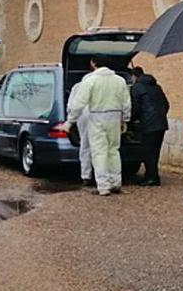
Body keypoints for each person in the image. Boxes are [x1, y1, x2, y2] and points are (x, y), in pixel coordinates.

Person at [65, 56, 131, 196]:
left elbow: (78, 104)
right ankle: (116, 181)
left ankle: (103, 185)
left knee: (99, 151)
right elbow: (126, 103)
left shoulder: (90, 81)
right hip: (115, 117)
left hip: (97, 116)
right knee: (113, 150)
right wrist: (125, 120)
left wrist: (70, 121)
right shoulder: (120, 81)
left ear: (94, 64)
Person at [129, 66, 169, 186]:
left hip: (147, 124)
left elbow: (136, 107)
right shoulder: (156, 87)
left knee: (147, 152)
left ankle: (152, 178)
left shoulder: (136, 87)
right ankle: (151, 175)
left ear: (134, 76)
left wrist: (131, 120)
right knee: (155, 151)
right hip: (161, 123)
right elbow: (166, 104)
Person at [65, 80, 95, 187]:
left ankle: (86, 176)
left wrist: (70, 121)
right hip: (101, 116)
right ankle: (102, 175)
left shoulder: (77, 86)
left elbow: (71, 106)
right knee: (102, 147)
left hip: (83, 116)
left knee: (85, 146)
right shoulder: (103, 84)